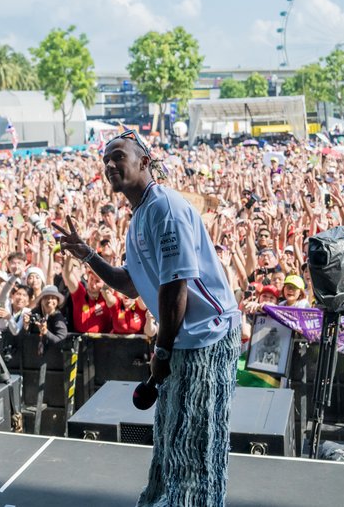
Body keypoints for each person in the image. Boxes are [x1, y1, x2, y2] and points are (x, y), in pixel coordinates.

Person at [54, 130, 240, 507]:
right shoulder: (140, 215)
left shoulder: (164, 208)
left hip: (206, 338)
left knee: (194, 448)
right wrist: (88, 255)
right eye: (106, 160)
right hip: (184, 340)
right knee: (171, 441)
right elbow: (131, 284)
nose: (110, 164)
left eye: (118, 156)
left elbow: (175, 286)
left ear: (144, 162)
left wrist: (162, 351)